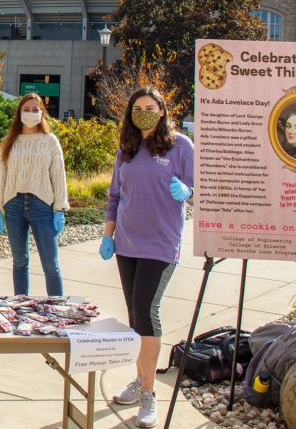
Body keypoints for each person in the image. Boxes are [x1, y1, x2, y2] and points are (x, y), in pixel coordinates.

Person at [100, 86, 194, 428]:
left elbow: (200, 191)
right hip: (126, 244)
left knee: (145, 309)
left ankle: (149, 395)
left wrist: (188, 192)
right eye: (138, 107)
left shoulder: (180, 146)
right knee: (135, 313)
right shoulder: (126, 149)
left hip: (160, 245)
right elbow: (114, 197)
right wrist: (108, 236)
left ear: (162, 110)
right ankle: (141, 378)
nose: (144, 112)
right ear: (130, 113)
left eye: (150, 107)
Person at [0, 93, 69, 297]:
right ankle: (21, 307)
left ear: (42, 113)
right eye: (26, 109)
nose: (31, 113)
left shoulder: (50, 141)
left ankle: (57, 309)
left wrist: (59, 208)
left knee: (50, 264)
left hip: (42, 206)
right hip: (13, 206)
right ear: (19, 113)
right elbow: (1, 175)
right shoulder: (9, 141)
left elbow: (58, 175)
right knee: (19, 262)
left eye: (35, 109)